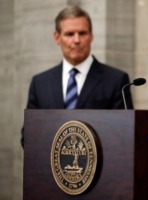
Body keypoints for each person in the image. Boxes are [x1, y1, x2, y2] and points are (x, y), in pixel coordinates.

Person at [21, 5, 133, 147]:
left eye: (82, 33)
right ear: (57, 37)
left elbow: (124, 134)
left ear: (91, 36)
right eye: (69, 34)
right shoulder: (40, 83)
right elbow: (28, 136)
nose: (76, 40)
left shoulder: (116, 80)